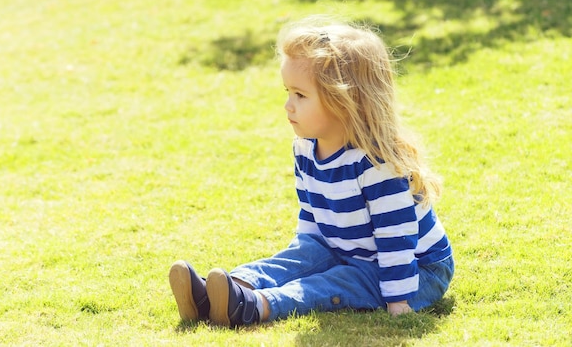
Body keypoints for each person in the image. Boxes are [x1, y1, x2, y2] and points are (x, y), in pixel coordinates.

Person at [168, 17, 454, 327]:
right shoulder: (305, 148)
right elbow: (311, 215)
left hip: (414, 270)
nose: (288, 106)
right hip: (346, 249)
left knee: (334, 282)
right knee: (302, 258)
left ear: (343, 101)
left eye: (300, 95)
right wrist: (307, 257)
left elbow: (395, 240)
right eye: (288, 92)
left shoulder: (377, 165)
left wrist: (398, 301)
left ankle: (255, 306)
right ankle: (221, 293)